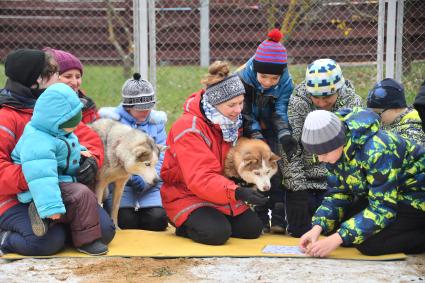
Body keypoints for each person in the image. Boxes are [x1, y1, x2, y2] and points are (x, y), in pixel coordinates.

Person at [0, 49, 115, 257]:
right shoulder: (6, 117)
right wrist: (42, 174)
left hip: (59, 189)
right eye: (55, 73)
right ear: (37, 80)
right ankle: (5, 236)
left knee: (104, 231)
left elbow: (87, 139)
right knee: (44, 243)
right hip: (15, 197)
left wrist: (90, 161)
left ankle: (58, 227)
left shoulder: (53, 105)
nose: (60, 78)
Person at [160, 61, 265, 245]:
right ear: (214, 103)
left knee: (252, 229)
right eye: (232, 105)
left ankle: (214, 216)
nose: (238, 110)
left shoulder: (231, 122)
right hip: (186, 194)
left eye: (241, 103)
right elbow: (200, 177)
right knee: (217, 234)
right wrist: (238, 192)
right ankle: (184, 224)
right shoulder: (188, 128)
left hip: (219, 192)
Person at [299, 108, 425, 257]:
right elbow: (338, 194)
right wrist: (317, 227)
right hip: (388, 195)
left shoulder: (377, 150)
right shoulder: (335, 152)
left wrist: (337, 238)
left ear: (340, 141)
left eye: (324, 153)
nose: (321, 159)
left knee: (369, 245)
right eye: (317, 154)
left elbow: (383, 209)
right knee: (340, 228)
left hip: (415, 199)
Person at [283, 58, 363, 237]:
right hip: (307, 180)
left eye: (327, 97)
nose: (321, 102)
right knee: (299, 230)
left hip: (338, 182)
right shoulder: (298, 103)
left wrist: (344, 187)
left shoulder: (353, 104)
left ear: (339, 89)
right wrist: (296, 189)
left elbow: (356, 151)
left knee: (333, 230)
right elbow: (290, 148)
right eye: (316, 97)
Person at [238, 28, 296, 233]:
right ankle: (260, 217)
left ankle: (279, 217)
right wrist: (257, 138)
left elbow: (281, 110)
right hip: (248, 127)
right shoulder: (242, 79)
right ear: (255, 70)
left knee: (277, 169)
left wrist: (284, 134)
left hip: (272, 126)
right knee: (257, 170)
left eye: (274, 79)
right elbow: (244, 113)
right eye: (264, 77)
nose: (268, 82)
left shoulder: (286, 83)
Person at [100, 73, 168, 231]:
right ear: (128, 106)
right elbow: (110, 158)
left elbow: (162, 155)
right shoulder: (113, 123)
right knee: (126, 221)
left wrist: (148, 178)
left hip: (151, 182)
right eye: (140, 109)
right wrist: (132, 176)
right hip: (121, 183)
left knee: (157, 221)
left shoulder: (156, 123)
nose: (145, 112)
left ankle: (146, 212)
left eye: (148, 107)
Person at [44, 47, 99, 123]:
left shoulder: (87, 105)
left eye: (78, 77)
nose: (74, 82)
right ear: (50, 78)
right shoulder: (42, 108)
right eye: (68, 76)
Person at [367, 78, 425, 145]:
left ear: (396, 109)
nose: (375, 118)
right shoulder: (388, 121)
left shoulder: (413, 132)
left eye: (378, 114)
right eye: (372, 113)